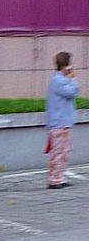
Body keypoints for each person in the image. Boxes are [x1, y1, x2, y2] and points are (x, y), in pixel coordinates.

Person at [45, 51, 79, 189]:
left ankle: (60, 177)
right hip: (59, 124)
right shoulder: (58, 80)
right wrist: (73, 78)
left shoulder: (62, 79)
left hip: (64, 123)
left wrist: (70, 78)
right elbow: (71, 92)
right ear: (65, 65)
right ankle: (54, 180)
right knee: (58, 153)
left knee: (64, 153)